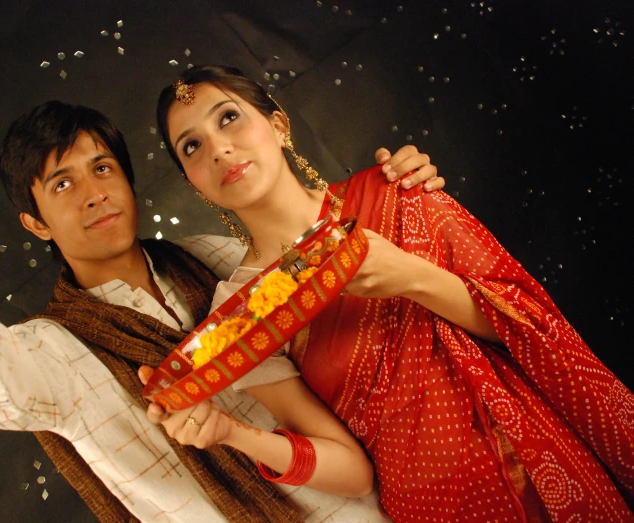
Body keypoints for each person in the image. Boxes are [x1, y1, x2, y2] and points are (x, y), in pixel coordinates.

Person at [0, 7, 444, 522]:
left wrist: (394, 190)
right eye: (62, 183)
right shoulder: (56, 354)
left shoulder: (212, 257)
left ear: (131, 183)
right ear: (34, 223)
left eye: (103, 168)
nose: (93, 192)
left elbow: (347, 295)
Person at [150, 65, 634, 522]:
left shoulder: (394, 189)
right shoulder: (238, 316)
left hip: (537, 459)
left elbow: (524, 325)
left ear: (278, 125)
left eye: (229, 118)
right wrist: (232, 434)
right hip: (435, 506)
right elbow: (354, 475)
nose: (218, 149)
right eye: (191, 147)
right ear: (194, 183)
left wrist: (409, 276)